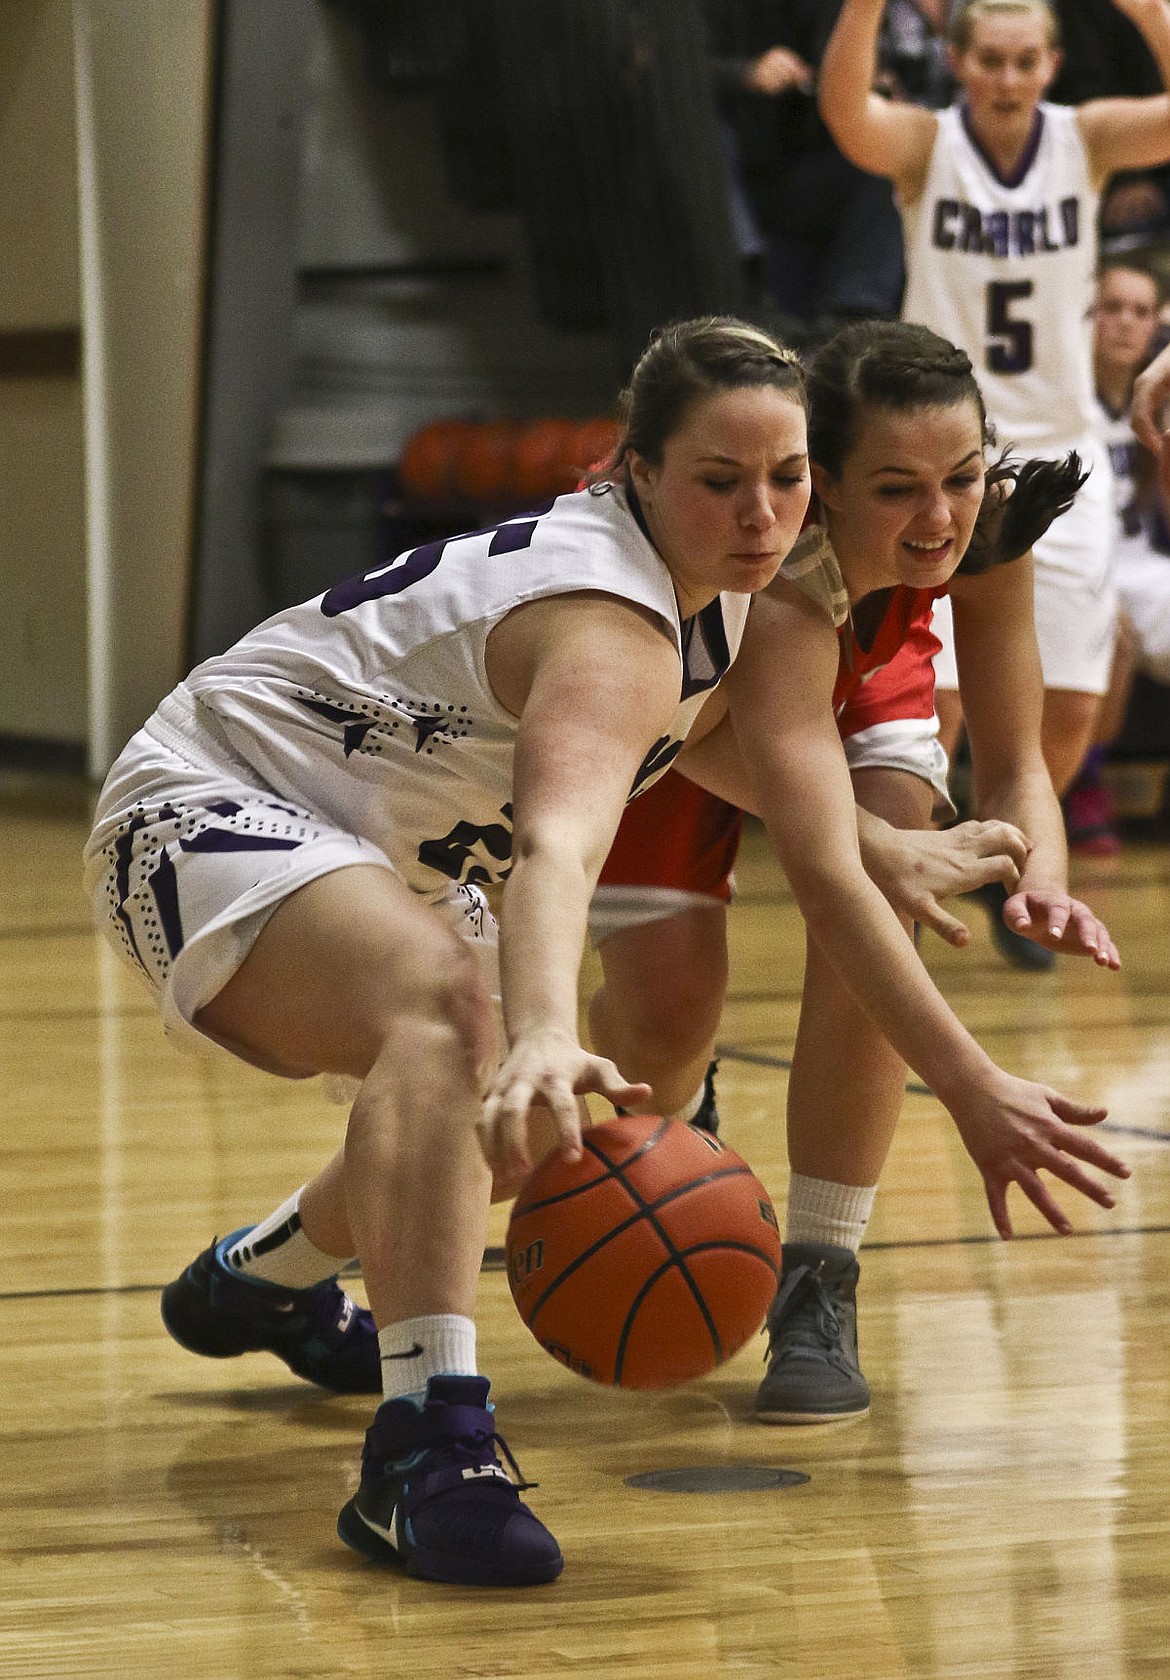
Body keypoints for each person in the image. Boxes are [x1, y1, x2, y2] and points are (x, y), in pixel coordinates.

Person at [84, 316, 1125, 1589]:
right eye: (720, 481)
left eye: (785, 480)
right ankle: (428, 1448)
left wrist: (872, 843)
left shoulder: (747, 589)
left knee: (509, 1127)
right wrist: (539, 1028)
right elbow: (566, 843)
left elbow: (698, 744)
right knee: (464, 1032)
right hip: (206, 799)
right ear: (634, 472)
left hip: (396, 845)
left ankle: (272, 1279)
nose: (758, 514)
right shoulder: (609, 622)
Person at [589, 318, 1125, 1426]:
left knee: (885, 918)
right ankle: (680, 1124)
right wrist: (973, 1079)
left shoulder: (981, 528)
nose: (939, 518)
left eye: (964, 477)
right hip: (674, 718)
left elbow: (1019, 761)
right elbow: (738, 770)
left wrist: (1045, 875)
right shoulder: (767, 558)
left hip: (836, 702)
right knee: (664, 1015)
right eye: (897, 489)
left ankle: (820, 1273)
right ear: (820, 483)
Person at [817, 0, 1170, 960]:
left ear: (1052, 64)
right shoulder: (929, 146)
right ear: (961, 62)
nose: (1009, 80)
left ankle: (1013, 852)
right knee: (941, 695)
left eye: (1026, 61)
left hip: (1063, 451)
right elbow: (847, 117)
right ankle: (931, 857)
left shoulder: (1085, 140)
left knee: (1067, 708)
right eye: (991, 61)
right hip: (945, 453)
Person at [1066, 256, 1170, 852]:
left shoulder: (1157, 398)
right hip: (1075, 557)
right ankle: (1086, 783)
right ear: (1086, 316)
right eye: (1112, 308)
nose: (1126, 323)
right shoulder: (1062, 396)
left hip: (1134, 558)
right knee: (1114, 634)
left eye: (1142, 311)